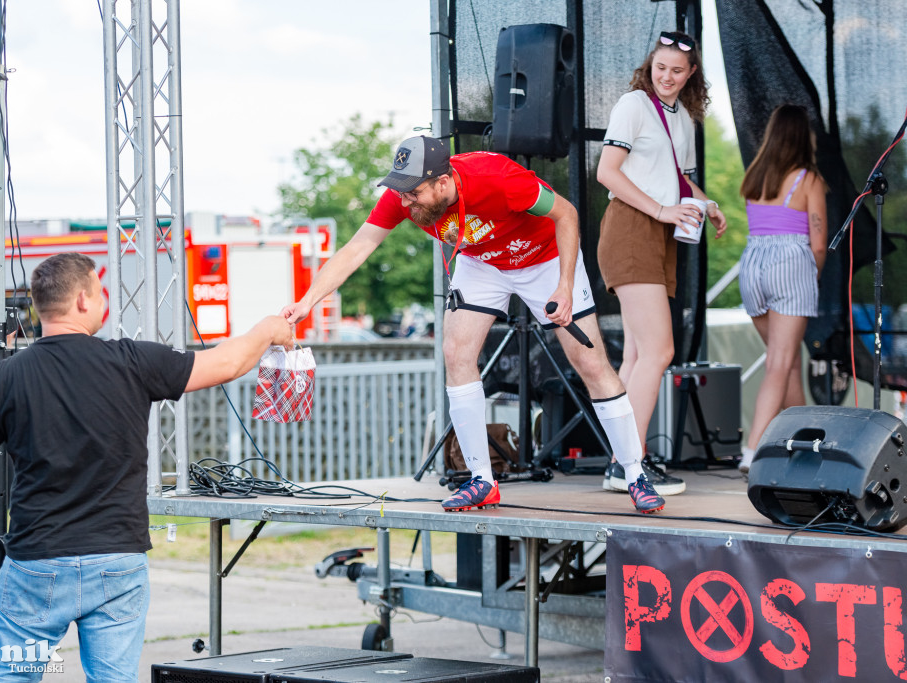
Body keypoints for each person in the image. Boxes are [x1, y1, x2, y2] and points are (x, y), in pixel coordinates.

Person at [0, 252, 294, 681]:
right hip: (117, 563)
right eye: (100, 295)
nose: (104, 305)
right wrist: (269, 328)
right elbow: (228, 363)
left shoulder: (6, 377)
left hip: (36, 565)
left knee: (8, 676)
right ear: (82, 299)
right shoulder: (135, 362)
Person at [283, 135, 666, 514]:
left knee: (591, 363)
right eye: (400, 192)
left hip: (545, 258)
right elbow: (357, 248)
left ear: (443, 182)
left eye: (413, 193)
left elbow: (566, 213)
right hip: (484, 263)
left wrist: (565, 286)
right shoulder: (405, 195)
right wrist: (308, 301)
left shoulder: (497, 178)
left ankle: (634, 472)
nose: (404, 201)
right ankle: (482, 479)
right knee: (456, 352)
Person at [595, 30, 727, 494]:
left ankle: (620, 462)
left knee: (636, 355)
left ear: (691, 74)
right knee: (659, 352)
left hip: (661, 233)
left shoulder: (684, 120)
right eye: (660, 68)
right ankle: (631, 463)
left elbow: (679, 181)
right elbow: (606, 172)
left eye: (676, 70)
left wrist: (706, 204)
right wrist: (662, 210)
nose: (667, 77)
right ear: (649, 66)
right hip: (632, 227)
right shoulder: (634, 105)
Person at [736, 104, 827, 472]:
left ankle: (806, 442)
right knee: (779, 363)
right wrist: (810, 274)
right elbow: (818, 243)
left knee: (788, 363)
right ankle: (752, 448)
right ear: (803, 137)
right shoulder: (809, 179)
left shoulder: (756, 176)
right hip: (790, 263)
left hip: (753, 264)